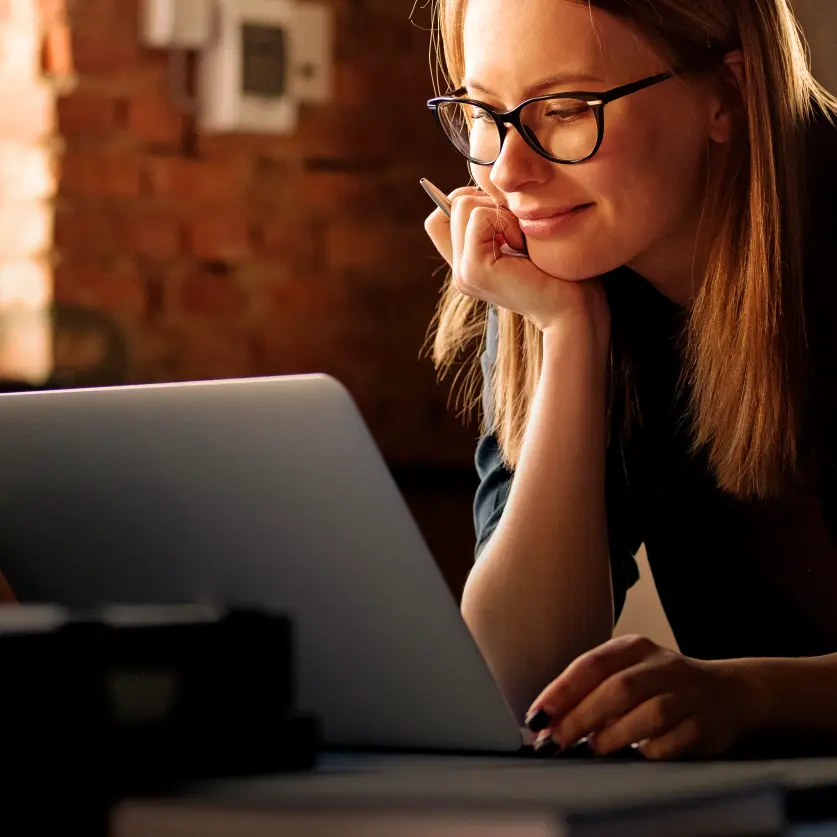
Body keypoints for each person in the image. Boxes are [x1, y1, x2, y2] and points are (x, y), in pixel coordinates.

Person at [422, 0, 837, 760]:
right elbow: (517, 676)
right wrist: (569, 334)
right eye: (483, 112)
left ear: (727, 96)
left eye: (567, 109)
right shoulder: (563, 264)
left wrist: (751, 694)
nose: (509, 172)